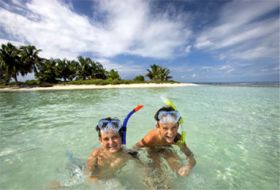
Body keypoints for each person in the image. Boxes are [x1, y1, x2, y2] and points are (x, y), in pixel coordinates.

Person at [134, 106, 196, 177]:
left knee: (178, 167)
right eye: (165, 128)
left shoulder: (178, 138)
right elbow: (135, 148)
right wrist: (140, 164)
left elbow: (190, 155)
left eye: (174, 127)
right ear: (158, 126)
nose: (170, 133)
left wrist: (188, 167)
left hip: (166, 149)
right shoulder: (152, 137)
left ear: (178, 125)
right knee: (157, 173)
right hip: (152, 149)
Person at [85, 117, 139, 181]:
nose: (111, 142)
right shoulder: (97, 155)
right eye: (106, 139)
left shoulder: (130, 154)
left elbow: (144, 170)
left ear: (122, 137)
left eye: (115, 137)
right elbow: (88, 175)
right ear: (100, 140)